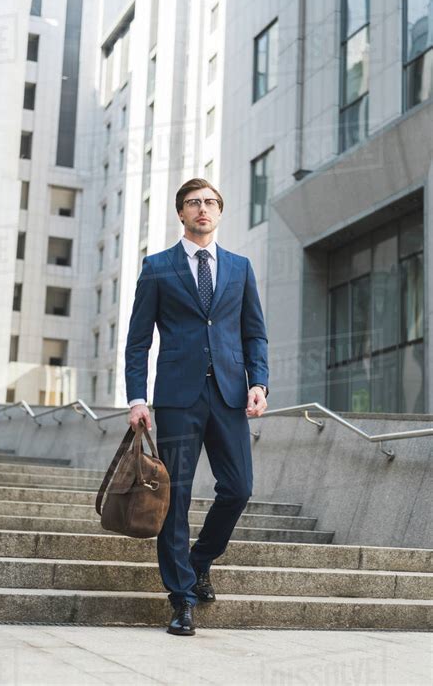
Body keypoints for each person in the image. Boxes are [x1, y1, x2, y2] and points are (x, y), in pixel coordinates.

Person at [125, 178, 269, 636]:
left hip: (229, 394)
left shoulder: (240, 267)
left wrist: (259, 382)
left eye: (209, 202)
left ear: (220, 212)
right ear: (181, 214)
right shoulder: (157, 267)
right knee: (177, 496)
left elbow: (254, 332)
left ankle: (199, 559)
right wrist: (136, 398)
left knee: (239, 488)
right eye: (193, 203)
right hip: (177, 398)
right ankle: (181, 597)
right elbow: (138, 343)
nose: (202, 209)